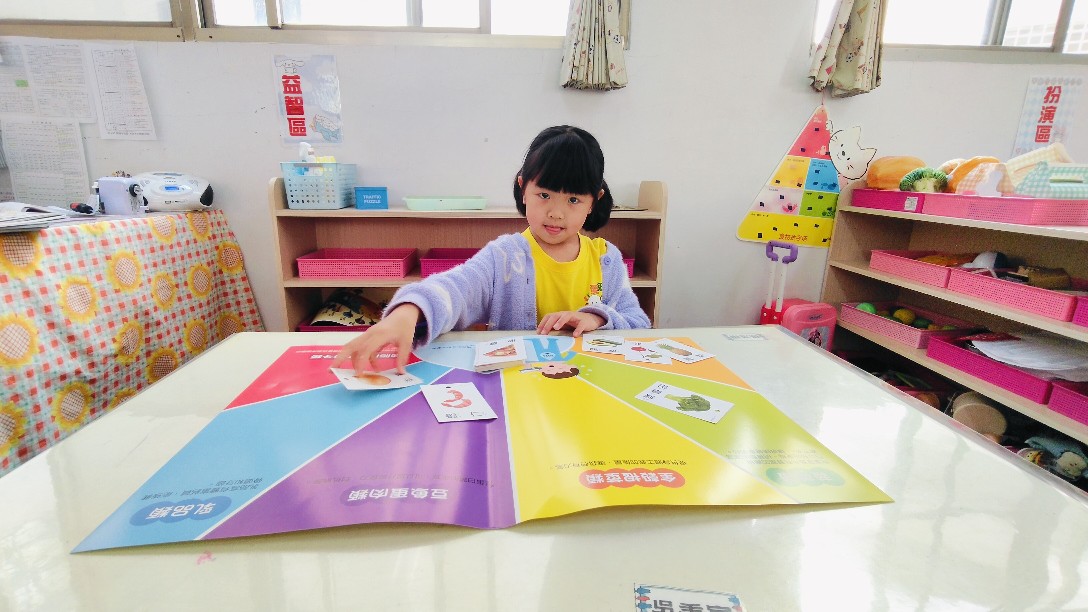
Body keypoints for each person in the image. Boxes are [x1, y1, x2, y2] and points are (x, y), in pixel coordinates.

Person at [334, 125, 651, 374]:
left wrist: (597, 318)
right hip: (517, 385)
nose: (556, 212)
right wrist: (407, 312)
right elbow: (457, 288)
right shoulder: (505, 257)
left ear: (594, 200)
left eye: (573, 200)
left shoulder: (606, 259)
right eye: (544, 195)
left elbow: (637, 323)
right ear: (523, 188)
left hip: (586, 384)